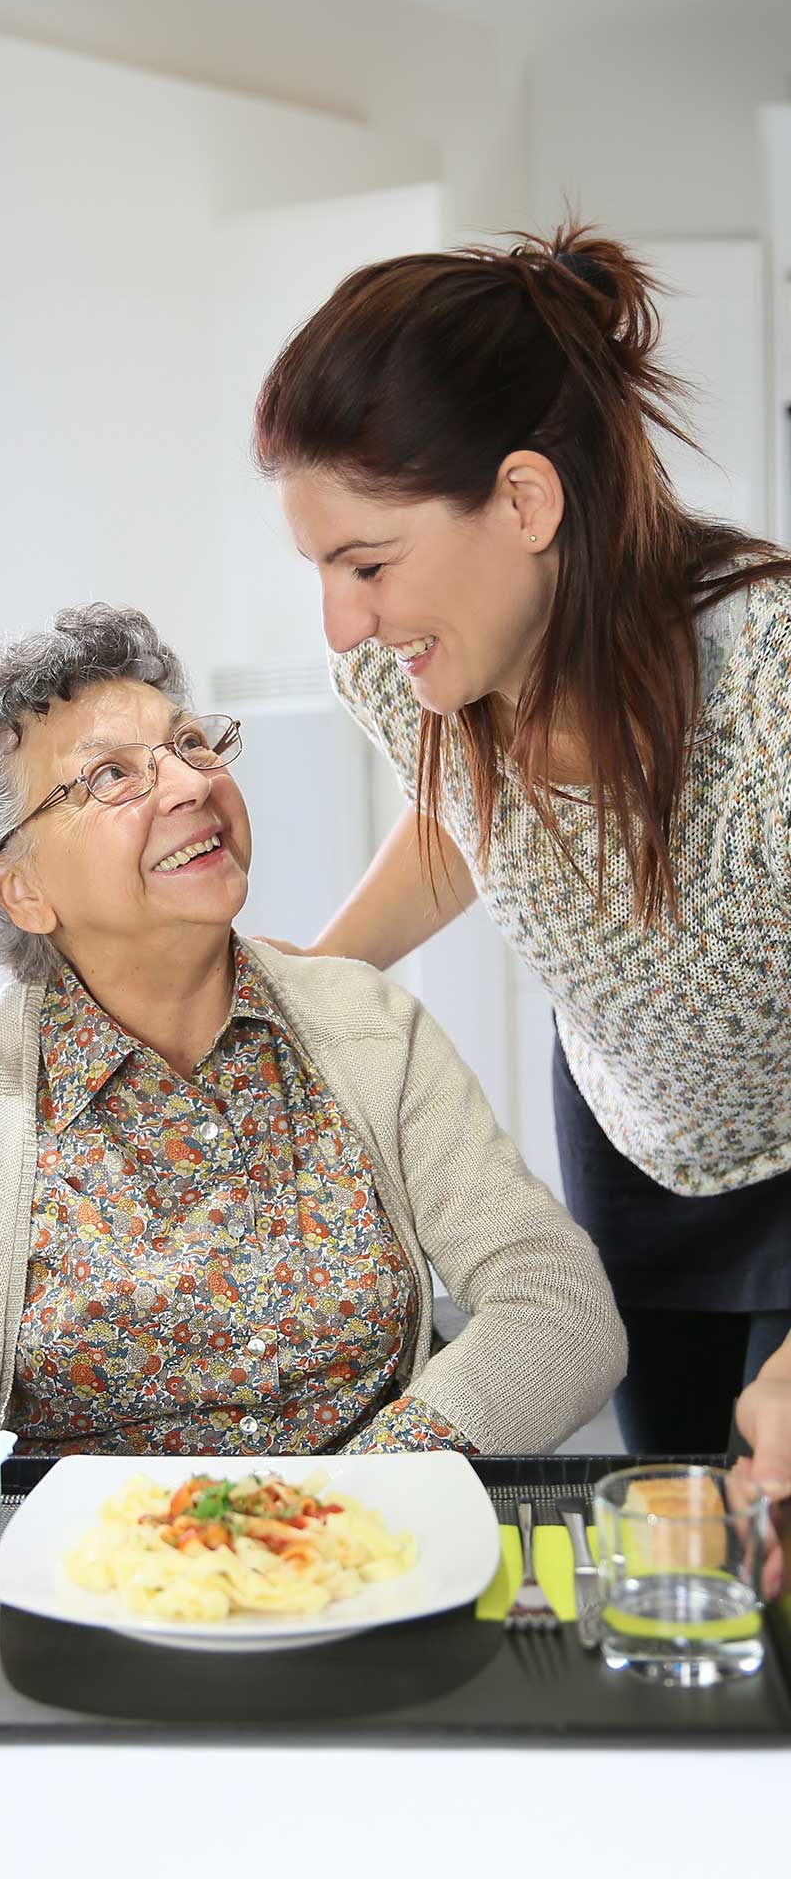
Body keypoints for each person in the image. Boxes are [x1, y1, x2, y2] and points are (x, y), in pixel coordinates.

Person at [0, 604, 623, 1620]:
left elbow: (559, 1302)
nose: (194, 783)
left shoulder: (367, 1027)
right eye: (112, 775)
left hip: (368, 1579)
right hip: (76, 1607)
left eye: (191, 745)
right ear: (18, 887)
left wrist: (355, 1492)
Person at [252, 219, 791, 1502]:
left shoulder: (766, 679)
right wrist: (319, 980)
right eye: (321, 569)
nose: (342, 622)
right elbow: (472, 822)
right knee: (673, 1504)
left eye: (367, 564)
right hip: (627, 1135)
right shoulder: (412, 668)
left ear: (526, 500)